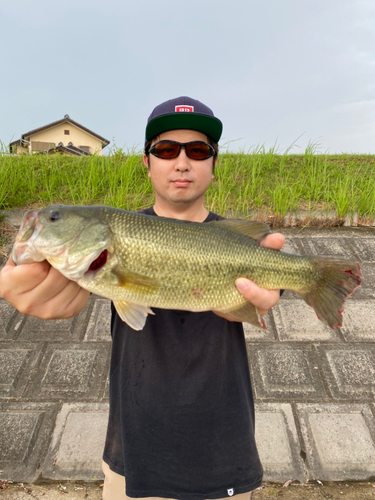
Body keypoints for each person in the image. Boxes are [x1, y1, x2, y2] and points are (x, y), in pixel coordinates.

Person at [0, 96, 285, 500]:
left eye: (198, 150)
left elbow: (268, 284)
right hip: (133, 456)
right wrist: (35, 282)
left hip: (226, 453)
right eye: (166, 150)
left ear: (214, 163)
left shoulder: (236, 240)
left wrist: (269, 293)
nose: (182, 162)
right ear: (147, 162)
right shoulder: (113, 238)